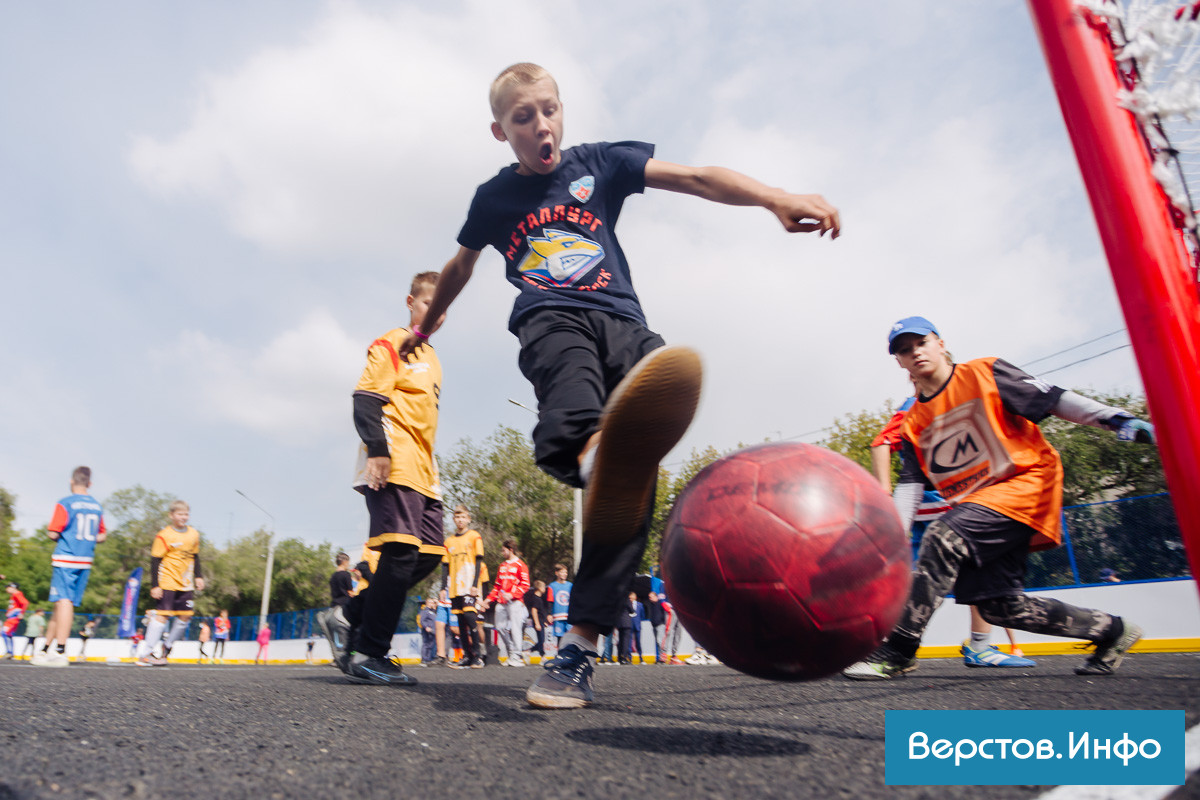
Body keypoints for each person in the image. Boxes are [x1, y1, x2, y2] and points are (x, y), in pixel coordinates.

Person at [396, 62, 838, 708]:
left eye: (549, 109)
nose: (541, 125)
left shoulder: (598, 162)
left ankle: (578, 644)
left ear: (561, 110)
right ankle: (588, 451)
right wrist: (428, 326)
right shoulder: (494, 199)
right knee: (571, 416)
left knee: (632, 475)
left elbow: (692, 177)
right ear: (501, 131)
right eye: (524, 117)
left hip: (625, 324)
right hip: (550, 318)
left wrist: (773, 196)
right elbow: (460, 266)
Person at [844, 317, 1153, 681]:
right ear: (899, 362)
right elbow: (911, 485)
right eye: (904, 350)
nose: (915, 353)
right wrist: (892, 534)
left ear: (940, 344)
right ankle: (1112, 631)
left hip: (1026, 482)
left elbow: (1053, 399)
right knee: (1000, 607)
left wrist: (1116, 420)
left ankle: (899, 650)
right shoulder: (913, 423)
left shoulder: (984, 373)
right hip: (981, 505)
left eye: (921, 343)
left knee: (943, 539)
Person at [334, 271, 449, 687]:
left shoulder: (432, 356)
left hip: (424, 470)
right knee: (399, 553)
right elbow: (365, 400)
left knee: (433, 552)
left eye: (443, 309)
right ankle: (369, 652)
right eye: (427, 305)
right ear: (410, 302)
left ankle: (350, 614)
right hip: (394, 458)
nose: (436, 315)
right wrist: (378, 452)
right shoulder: (393, 342)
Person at [870, 390, 1036, 669]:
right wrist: (885, 493)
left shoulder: (952, 404)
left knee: (911, 578)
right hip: (941, 502)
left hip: (932, 505)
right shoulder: (918, 406)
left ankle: (896, 647)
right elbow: (881, 442)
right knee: (981, 567)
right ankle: (978, 647)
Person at [36, 466, 107, 667]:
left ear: (71, 481)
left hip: (66, 557)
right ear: (90, 484)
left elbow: (52, 532)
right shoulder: (96, 505)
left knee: (63, 601)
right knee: (60, 603)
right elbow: (102, 535)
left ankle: (60, 649)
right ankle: (44, 649)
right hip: (85, 560)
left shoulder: (65, 503)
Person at [136, 499, 204, 667]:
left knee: (186, 616)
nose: (183, 517)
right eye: (180, 514)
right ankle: (146, 653)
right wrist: (155, 585)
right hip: (167, 581)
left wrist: (199, 576)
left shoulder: (194, 534)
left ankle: (166, 648)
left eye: (186, 514)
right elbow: (155, 560)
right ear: (171, 515)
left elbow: (195, 556)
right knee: (163, 615)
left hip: (186, 582)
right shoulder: (164, 535)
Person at [443, 506, 486, 669]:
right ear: (454, 520)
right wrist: (442, 588)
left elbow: (478, 561)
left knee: (470, 616)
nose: (460, 520)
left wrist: (475, 584)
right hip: (454, 586)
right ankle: (467, 656)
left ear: (468, 519)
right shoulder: (449, 541)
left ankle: (478, 656)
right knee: (460, 620)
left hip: (469, 584)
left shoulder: (474, 536)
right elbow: (445, 566)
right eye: (457, 517)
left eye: (463, 517)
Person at [483, 539, 531, 666]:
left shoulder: (521, 565)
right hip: (501, 602)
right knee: (499, 627)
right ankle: (512, 650)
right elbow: (497, 586)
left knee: (516, 628)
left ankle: (516, 655)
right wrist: (488, 600)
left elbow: (526, 585)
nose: (502, 553)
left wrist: (513, 594)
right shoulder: (502, 566)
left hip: (516, 602)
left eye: (504, 550)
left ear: (511, 550)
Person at [316, 552, 355, 664]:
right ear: (345, 562)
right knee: (349, 632)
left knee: (336, 636)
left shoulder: (333, 576)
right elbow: (350, 592)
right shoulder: (346, 575)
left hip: (333, 608)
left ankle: (337, 657)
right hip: (344, 606)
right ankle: (349, 656)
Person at [545, 564, 572, 651]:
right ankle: (560, 654)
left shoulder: (570, 585)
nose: (564, 574)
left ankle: (569, 655)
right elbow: (550, 600)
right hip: (558, 616)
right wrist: (549, 614)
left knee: (570, 637)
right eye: (562, 572)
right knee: (560, 637)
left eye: (566, 572)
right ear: (557, 573)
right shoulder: (552, 586)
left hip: (569, 615)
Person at [524, 579, 549, 662]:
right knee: (541, 640)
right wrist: (537, 623)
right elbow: (534, 611)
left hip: (541, 621)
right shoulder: (536, 599)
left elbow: (541, 612)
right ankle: (543, 656)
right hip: (538, 621)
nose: (545, 589)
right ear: (539, 588)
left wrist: (544, 621)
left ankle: (528, 651)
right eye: (543, 587)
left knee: (541, 639)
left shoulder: (539, 598)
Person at [4, 582, 29, 659]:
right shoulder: (14, 595)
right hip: (11, 618)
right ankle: (9, 652)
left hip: (13, 618)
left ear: (13, 587)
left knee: (5, 633)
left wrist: (21, 613)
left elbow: (25, 603)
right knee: (7, 634)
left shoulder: (17, 594)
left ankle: (9, 652)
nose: (6, 589)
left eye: (8, 587)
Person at [644, 591, 666, 664]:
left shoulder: (661, 603)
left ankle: (662, 658)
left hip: (660, 625)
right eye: (649, 597)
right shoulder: (651, 605)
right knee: (657, 642)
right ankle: (660, 657)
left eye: (651, 597)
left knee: (660, 641)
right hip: (654, 625)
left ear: (655, 596)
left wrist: (662, 621)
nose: (650, 598)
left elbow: (664, 614)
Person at [434, 589, 452, 666]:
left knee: (456, 629)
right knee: (439, 624)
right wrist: (442, 588)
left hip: (456, 593)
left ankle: (475, 653)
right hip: (444, 598)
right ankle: (441, 657)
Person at [418, 597, 437, 666]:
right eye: (431, 602)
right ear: (428, 603)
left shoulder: (433, 612)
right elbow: (422, 620)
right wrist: (426, 627)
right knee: (426, 644)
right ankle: (424, 659)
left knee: (431, 645)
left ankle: (428, 659)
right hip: (427, 631)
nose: (433, 604)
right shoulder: (425, 611)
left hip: (433, 631)